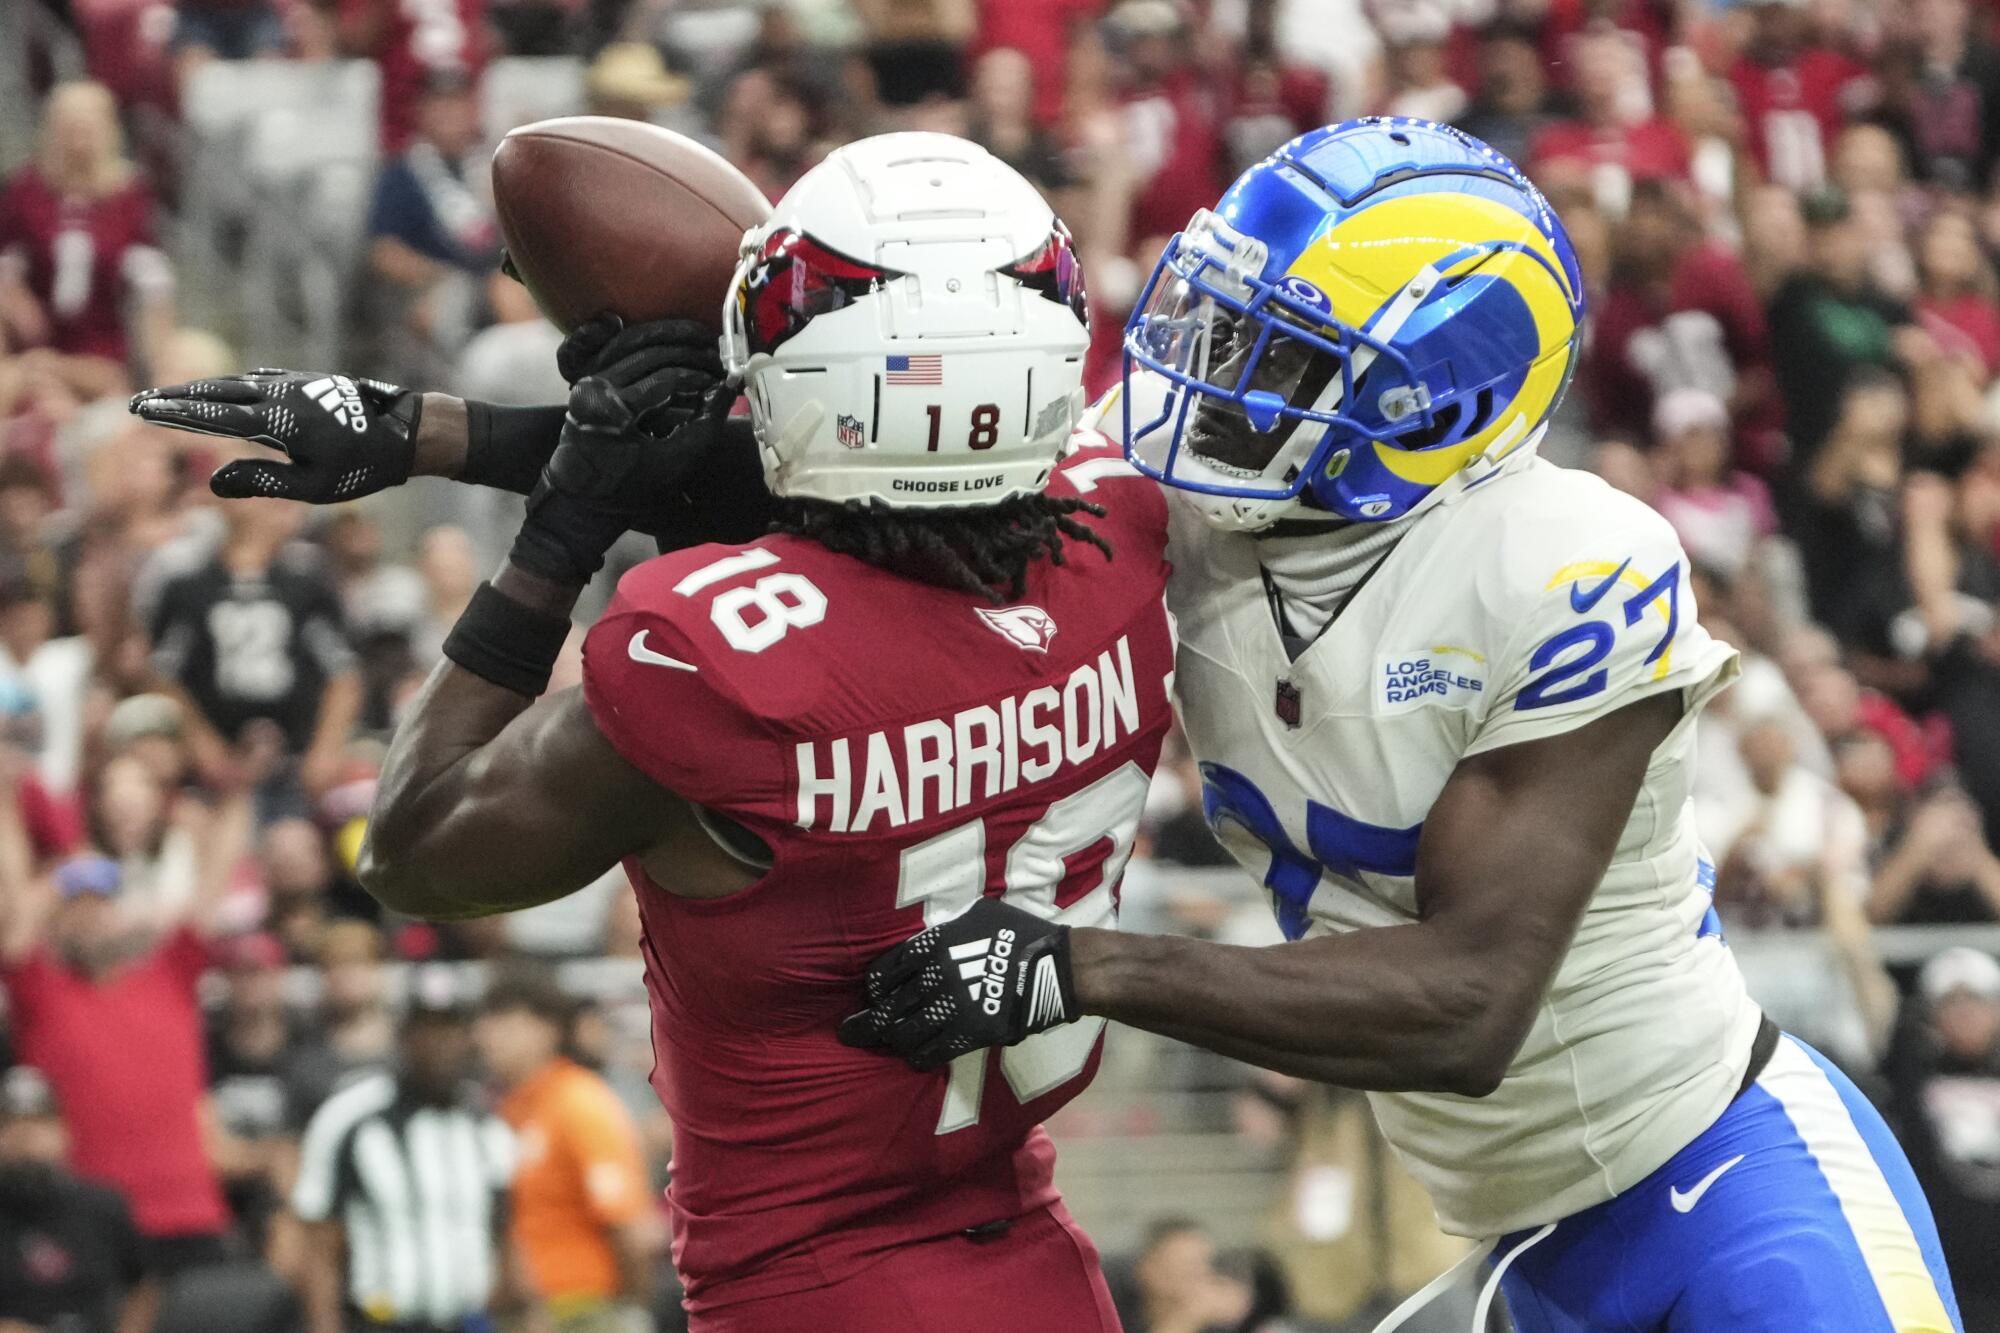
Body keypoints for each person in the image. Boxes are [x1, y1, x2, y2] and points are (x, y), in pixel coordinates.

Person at [841, 118, 1962, 1331]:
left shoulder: (1562, 560)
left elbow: (1468, 1002)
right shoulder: (1189, 497)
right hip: (1519, 1246)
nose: (1212, 377)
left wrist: (1077, 966)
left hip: (1734, 1193)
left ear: (1426, 404)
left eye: (1274, 356)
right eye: (1223, 322)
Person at [137, 133, 1175, 1331]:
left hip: (811, 1285)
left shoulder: (716, 659)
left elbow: (412, 845)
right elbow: (886, 489)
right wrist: (434, 431)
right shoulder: (1119, 535)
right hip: (1033, 1260)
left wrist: (554, 537)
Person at [290, 973, 529, 1333]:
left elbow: (505, 1239)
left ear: (469, 1039)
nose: (440, 1045)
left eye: (450, 1031)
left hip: (470, 1323)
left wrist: (528, 1313)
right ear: (403, 1038)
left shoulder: (488, 1129)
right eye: (427, 1032)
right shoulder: (351, 1118)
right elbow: (319, 1248)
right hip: (381, 1321)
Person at [475, 971, 659, 1333]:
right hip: (522, 1314)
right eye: (483, 1020)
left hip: (585, 1312)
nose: (484, 1035)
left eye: (503, 1021)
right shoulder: (507, 1110)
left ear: (548, 1028)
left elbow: (629, 1227)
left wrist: (627, 1313)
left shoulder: (578, 1103)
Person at [0, 1065, 159, 1333]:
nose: (26, 1140)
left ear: (65, 1133)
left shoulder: (103, 1206)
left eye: (39, 1125)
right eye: (10, 1126)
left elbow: (144, 1282)